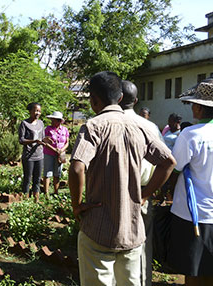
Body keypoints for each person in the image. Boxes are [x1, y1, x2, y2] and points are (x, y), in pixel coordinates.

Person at [68, 71, 176, 286]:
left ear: (93, 100)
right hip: (132, 228)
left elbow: (77, 168)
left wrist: (77, 205)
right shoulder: (142, 127)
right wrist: (145, 195)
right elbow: (168, 162)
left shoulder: (93, 127)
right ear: (120, 98)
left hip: (97, 226)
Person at [167, 80, 213, 286]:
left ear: (198, 106)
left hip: (191, 212)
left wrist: (167, 191)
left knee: (193, 267)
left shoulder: (190, 134)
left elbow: (175, 168)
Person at [119, 80, 164, 286]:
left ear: (116, 97)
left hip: (114, 190)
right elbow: (167, 163)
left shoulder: (101, 124)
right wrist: (148, 194)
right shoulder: (150, 127)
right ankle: (142, 280)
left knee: (114, 240)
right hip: (143, 190)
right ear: (136, 101)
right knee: (143, 242)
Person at [18, 102, 45, 202]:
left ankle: (36, 200)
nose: (37, 113)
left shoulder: (41, 123)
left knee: (37, 180)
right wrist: (34, 141)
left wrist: (46, 140)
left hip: (39, 156)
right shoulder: (24, 124)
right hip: (28, 156)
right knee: (27, 179)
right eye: (35, 110)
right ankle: (25, 201)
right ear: (30, 111)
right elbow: (21, 140)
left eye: (39, 111)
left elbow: (42, 138)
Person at [42, 111, 70, 197]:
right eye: (52, 120)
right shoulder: (48, 129)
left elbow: (67, 142)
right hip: (49, 153)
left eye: (54, 120)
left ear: (59, 121)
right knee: (47, 173)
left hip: (60, 154)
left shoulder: (64, 130)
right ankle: (46, 193)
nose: (52, 121)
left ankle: (56, 192)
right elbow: (45, 142)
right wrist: (55, 149)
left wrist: (61, 150)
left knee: (57, 173)